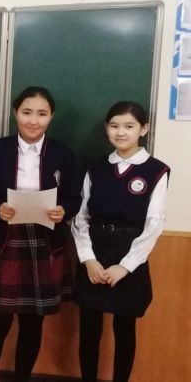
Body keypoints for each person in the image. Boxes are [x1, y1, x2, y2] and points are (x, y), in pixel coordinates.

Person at [0, 86, 82, 382]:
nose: (33, 120)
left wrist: (64, 210)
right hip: (7, 240)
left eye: (42, 114)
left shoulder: (63, 154)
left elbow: (74, 198)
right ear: (15, 113)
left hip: (46, 243)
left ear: (51, 117)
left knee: (33, 324)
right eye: (27, 112)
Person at [71, 101, 169, 382]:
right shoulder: (96, 167)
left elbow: (154, 224)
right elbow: (81, 217)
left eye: (129, 126)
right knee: (89, 329)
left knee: (125, 330)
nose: (121, 132)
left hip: (130, 256)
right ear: (107, 129)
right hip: (95, 252)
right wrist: (88, 259)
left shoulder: (156, 170)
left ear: (143, 129)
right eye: (114, 126)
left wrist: (124, 267)